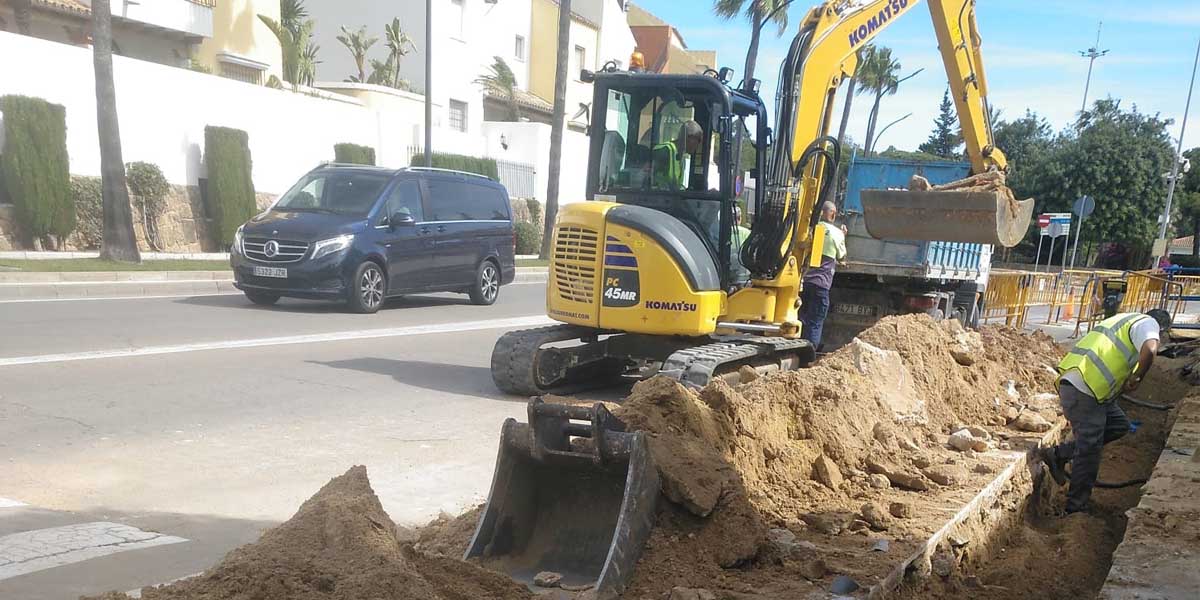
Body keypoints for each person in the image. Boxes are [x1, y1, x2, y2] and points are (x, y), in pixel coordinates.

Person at [1040, 309, 1171, 514]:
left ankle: (1059, 454)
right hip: (1085, 388)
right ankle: (1076, 508)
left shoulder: (1124, 319)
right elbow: (1150, 349)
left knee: (1118, 425)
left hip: (1090, 389)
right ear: (1162, 329)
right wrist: (1137, 377)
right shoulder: (1148, 324)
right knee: (1089, 449)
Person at [800, 201, 847, 349]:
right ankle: (809, 354)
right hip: (821, 286)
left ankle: (796, 350)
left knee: (802, 318)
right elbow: (841, 256)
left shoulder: (815, 230)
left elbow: (815, 254)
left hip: (806, 283)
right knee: (815, 321)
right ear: (833, 214)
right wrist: (843, 235)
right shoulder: (836, 233)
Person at [652, 120, 704, 190]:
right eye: (698, 140)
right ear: (689, 138)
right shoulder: (664, 151)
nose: (698, 145)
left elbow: (676, 187)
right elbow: (648, 178)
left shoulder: (681, 157)